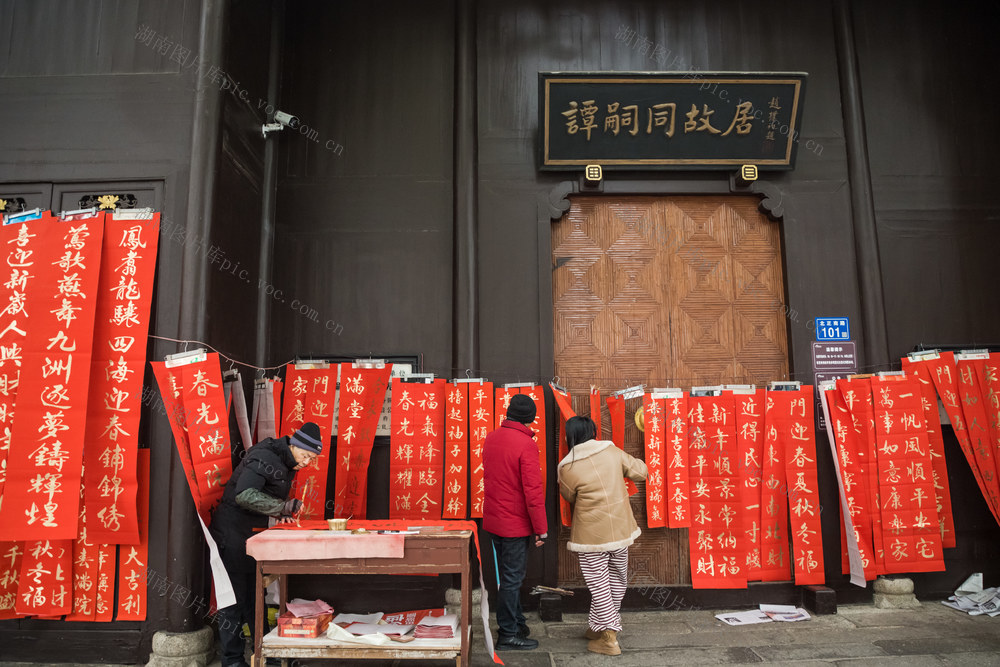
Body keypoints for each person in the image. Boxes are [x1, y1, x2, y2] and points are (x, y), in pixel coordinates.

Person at [209, 421, 324, 667]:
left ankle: (265, 655)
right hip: (232, 535)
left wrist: (280, 511)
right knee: (234, 601)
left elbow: (264, 495)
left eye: (312, 459)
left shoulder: (285, 460)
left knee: (255, 598)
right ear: (294, 445)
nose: (306, 463)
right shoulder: (265, 456)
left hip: (252, 536)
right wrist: (281, 507)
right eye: (305, 456)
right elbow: (245, 494)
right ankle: (232, 661)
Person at [557, 415, 647, 656]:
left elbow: (569, 497)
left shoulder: (567, 466)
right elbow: (641, 472)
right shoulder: (613, 452)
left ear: (570, 437)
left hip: (590, 535)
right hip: (620, 528)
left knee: (599, 584)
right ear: (594, 431)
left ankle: (609, 636)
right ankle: (598, 627)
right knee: (617, 579)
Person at [482, 393, 547, 651]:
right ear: (530, 419)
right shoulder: (525, 444)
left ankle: (517, 622)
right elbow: (533, 491)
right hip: (514, 524)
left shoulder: (491, 438)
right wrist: (541, 529)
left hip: (494, 520)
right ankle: (507, 633)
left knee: (507, 577)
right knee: (512, 579)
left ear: (509, 413)